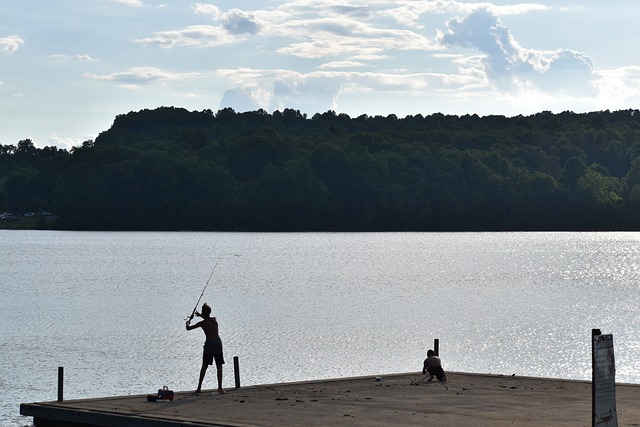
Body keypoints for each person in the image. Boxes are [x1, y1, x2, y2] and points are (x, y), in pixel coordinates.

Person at [186, 303, 226, 394]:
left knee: (204, 365)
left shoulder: (202, 323)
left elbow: (188, 328)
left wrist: (188, 321)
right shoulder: (214, 320)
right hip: (218, 343)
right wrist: (201, 315)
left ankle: (199, 388)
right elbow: (208, 319)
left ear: (204, 313)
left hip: (209, 344)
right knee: (219, 366)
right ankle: (220, 388)